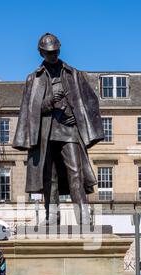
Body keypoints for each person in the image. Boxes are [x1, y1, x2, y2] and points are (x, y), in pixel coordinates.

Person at [12, 33, 104, 226]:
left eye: (55, 52)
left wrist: (77, 116)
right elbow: (30, 110)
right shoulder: (33, 78)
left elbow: (90, 101)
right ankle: (52, 217)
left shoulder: (74, 74)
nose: (52, 56)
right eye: (48, 53)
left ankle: (84, 217)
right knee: (49, 176)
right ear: (41, 53)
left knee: (76, 173)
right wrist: (48, 102)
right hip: (45, 133)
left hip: (69, 131)